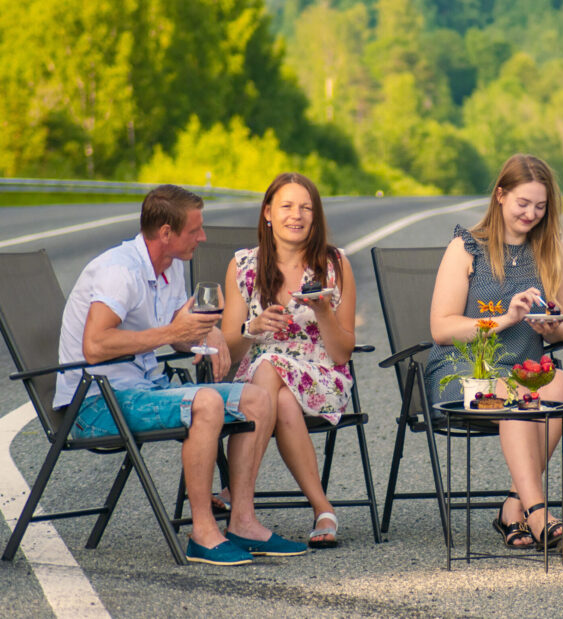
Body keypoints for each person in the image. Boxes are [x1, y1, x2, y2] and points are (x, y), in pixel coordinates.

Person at [55, 184, 307, 566]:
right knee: (204, 401)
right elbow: (95, 345)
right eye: (195, 230)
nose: (202, 238)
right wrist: (175, 334)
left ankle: (242, 522)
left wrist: (211, 333)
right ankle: (203, 533)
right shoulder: (118, 271)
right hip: (95, 404)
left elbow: (179, 335)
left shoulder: (169, 268)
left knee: (256, 398)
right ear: (166, 233)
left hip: (142, 389)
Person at [424, 153, 563, 550]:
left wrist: (551, 327)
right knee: (518, 397)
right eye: (523, 203)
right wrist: (505, 320)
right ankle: (539, 513)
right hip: (465, 374)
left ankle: (512, 506)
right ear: (500, 196)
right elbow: (441, 328)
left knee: (559, 384)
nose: (531, 214)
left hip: (523, 369)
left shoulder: (553, 253)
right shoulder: (467, 248)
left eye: (540, 207)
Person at [220, 173, 356, 548]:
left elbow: (343, 353)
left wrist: (323, 312)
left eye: (306, 208)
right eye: (287, 206)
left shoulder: (334, 264)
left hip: (322, 375)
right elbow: (227, 352)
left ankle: (237, 499)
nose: (297, 215)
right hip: (260, 380)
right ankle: (322, 508)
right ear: (268, 213)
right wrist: (253, 326)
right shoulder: (243, 266)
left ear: (316, 217)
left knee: (270, 369)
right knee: (276, 392)